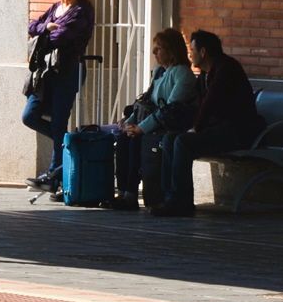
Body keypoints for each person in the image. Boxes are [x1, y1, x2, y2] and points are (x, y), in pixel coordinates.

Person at [156, 30, 265, 217]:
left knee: (183, 142)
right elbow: (199, 106)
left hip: (237, 131)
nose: (190, 55)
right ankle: (170, 197)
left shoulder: (226, 69)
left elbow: (209, 104)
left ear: (203, 52)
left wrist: (196, 128)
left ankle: (180, 201)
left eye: (193, 50)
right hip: (219, 129)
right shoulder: (206, 74)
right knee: (169, 139)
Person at [22, 0, 95, 192]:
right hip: (45, 74)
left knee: (58, 122)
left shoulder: (82, 10)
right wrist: (46, 26)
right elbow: (31, 26)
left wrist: (46, 32)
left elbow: (61, 37)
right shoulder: (57, 7)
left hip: (67, 72)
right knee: (29, 115)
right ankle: (67, 142)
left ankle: (53, 179)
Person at [112, 27, 200, 210]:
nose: (154, 52)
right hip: (153, 123)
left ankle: (131, 194)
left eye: (159, 48)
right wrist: (129, 122)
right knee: (123, 138)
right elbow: (147, 101)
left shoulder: (182, 74)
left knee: (136, 139)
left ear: (171, 51)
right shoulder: (160, 72)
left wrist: (141, 128)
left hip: (169, 124)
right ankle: (124, 192)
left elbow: (171, 108)